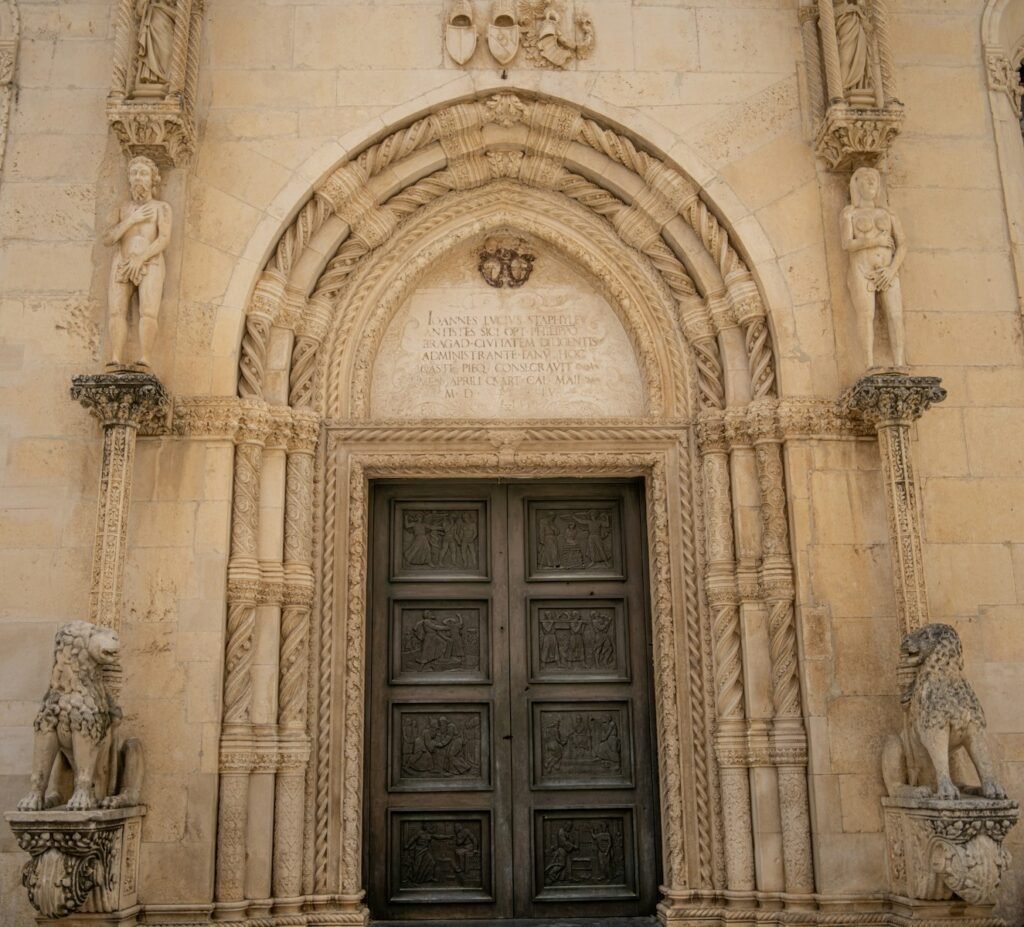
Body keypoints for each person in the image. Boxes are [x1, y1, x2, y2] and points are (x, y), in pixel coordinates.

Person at [104, 156, 172, 369]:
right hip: (123, 261)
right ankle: (115, 355)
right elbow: (108, 238)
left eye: (143, 173)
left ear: (153, 179)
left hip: (149, 262)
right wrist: (131, 220)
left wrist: (141, 258)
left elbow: (163, 238)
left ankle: (145, 356)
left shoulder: (161, 208)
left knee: (148, 310)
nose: (137, 178)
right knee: (116, 310)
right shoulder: (123, 208)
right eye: (134, 174)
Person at [840, 167, 906, 369]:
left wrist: (892, 270)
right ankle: (868, 363)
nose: (871, 184)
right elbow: (847, 244)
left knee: (895, 314)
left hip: (887, 269)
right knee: (866, 314)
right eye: (866, 180)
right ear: (856, 184)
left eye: (874, 180)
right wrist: (874, 240)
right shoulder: (850, 214)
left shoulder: (887, 213)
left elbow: (902, 244)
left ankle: (899, 362)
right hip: (862, 269)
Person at [135, 0, 177, 87]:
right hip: (154, 29)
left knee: (166, 53)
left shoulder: (169, 8)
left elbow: (180, 17)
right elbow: (140, 12)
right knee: (152, 51)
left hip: (166, 30)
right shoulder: (152, 7)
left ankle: (164, 77)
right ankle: (153, 78)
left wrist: (163, 8)